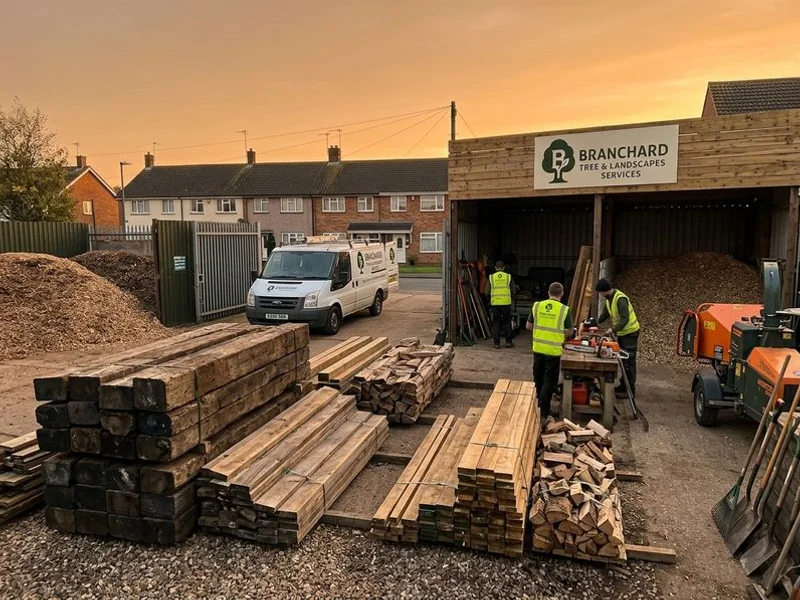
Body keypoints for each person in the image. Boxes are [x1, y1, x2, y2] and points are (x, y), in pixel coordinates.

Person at [527, 282, 573, 417]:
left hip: (538, 349)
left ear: (548, 293)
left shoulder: (537, 306)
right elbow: (569, 331)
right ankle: (543, 410)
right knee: (549, 381)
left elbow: (528, 326)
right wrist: (558, 333)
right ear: (562, 294)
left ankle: (536, 406)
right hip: (553, 352)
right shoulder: (564, 310)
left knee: (538, 379)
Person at [595, 278, 640, 398]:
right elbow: (605, 314)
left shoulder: (620, 299)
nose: (601, 295)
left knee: (629, 362)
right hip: (623, 333)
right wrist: (595, 322)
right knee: (623, 362)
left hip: (630, 333)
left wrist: (613, 329)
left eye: (601, 292)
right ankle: (623, 385)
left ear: (605, 290)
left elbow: (625, 319)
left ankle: (630, 391)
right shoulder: (609, 299)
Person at [487, 261, 514, 349]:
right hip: (506, 303)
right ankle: (508, 342)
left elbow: (487, 291)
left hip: (495, 304)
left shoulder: (491, 277)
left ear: (495, 268)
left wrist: (489, 300)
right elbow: (513, 290)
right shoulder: (508, 277)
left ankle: (496, 343)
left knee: (496, 323)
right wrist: (511, 298)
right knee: (507, 322)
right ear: (504, 268)